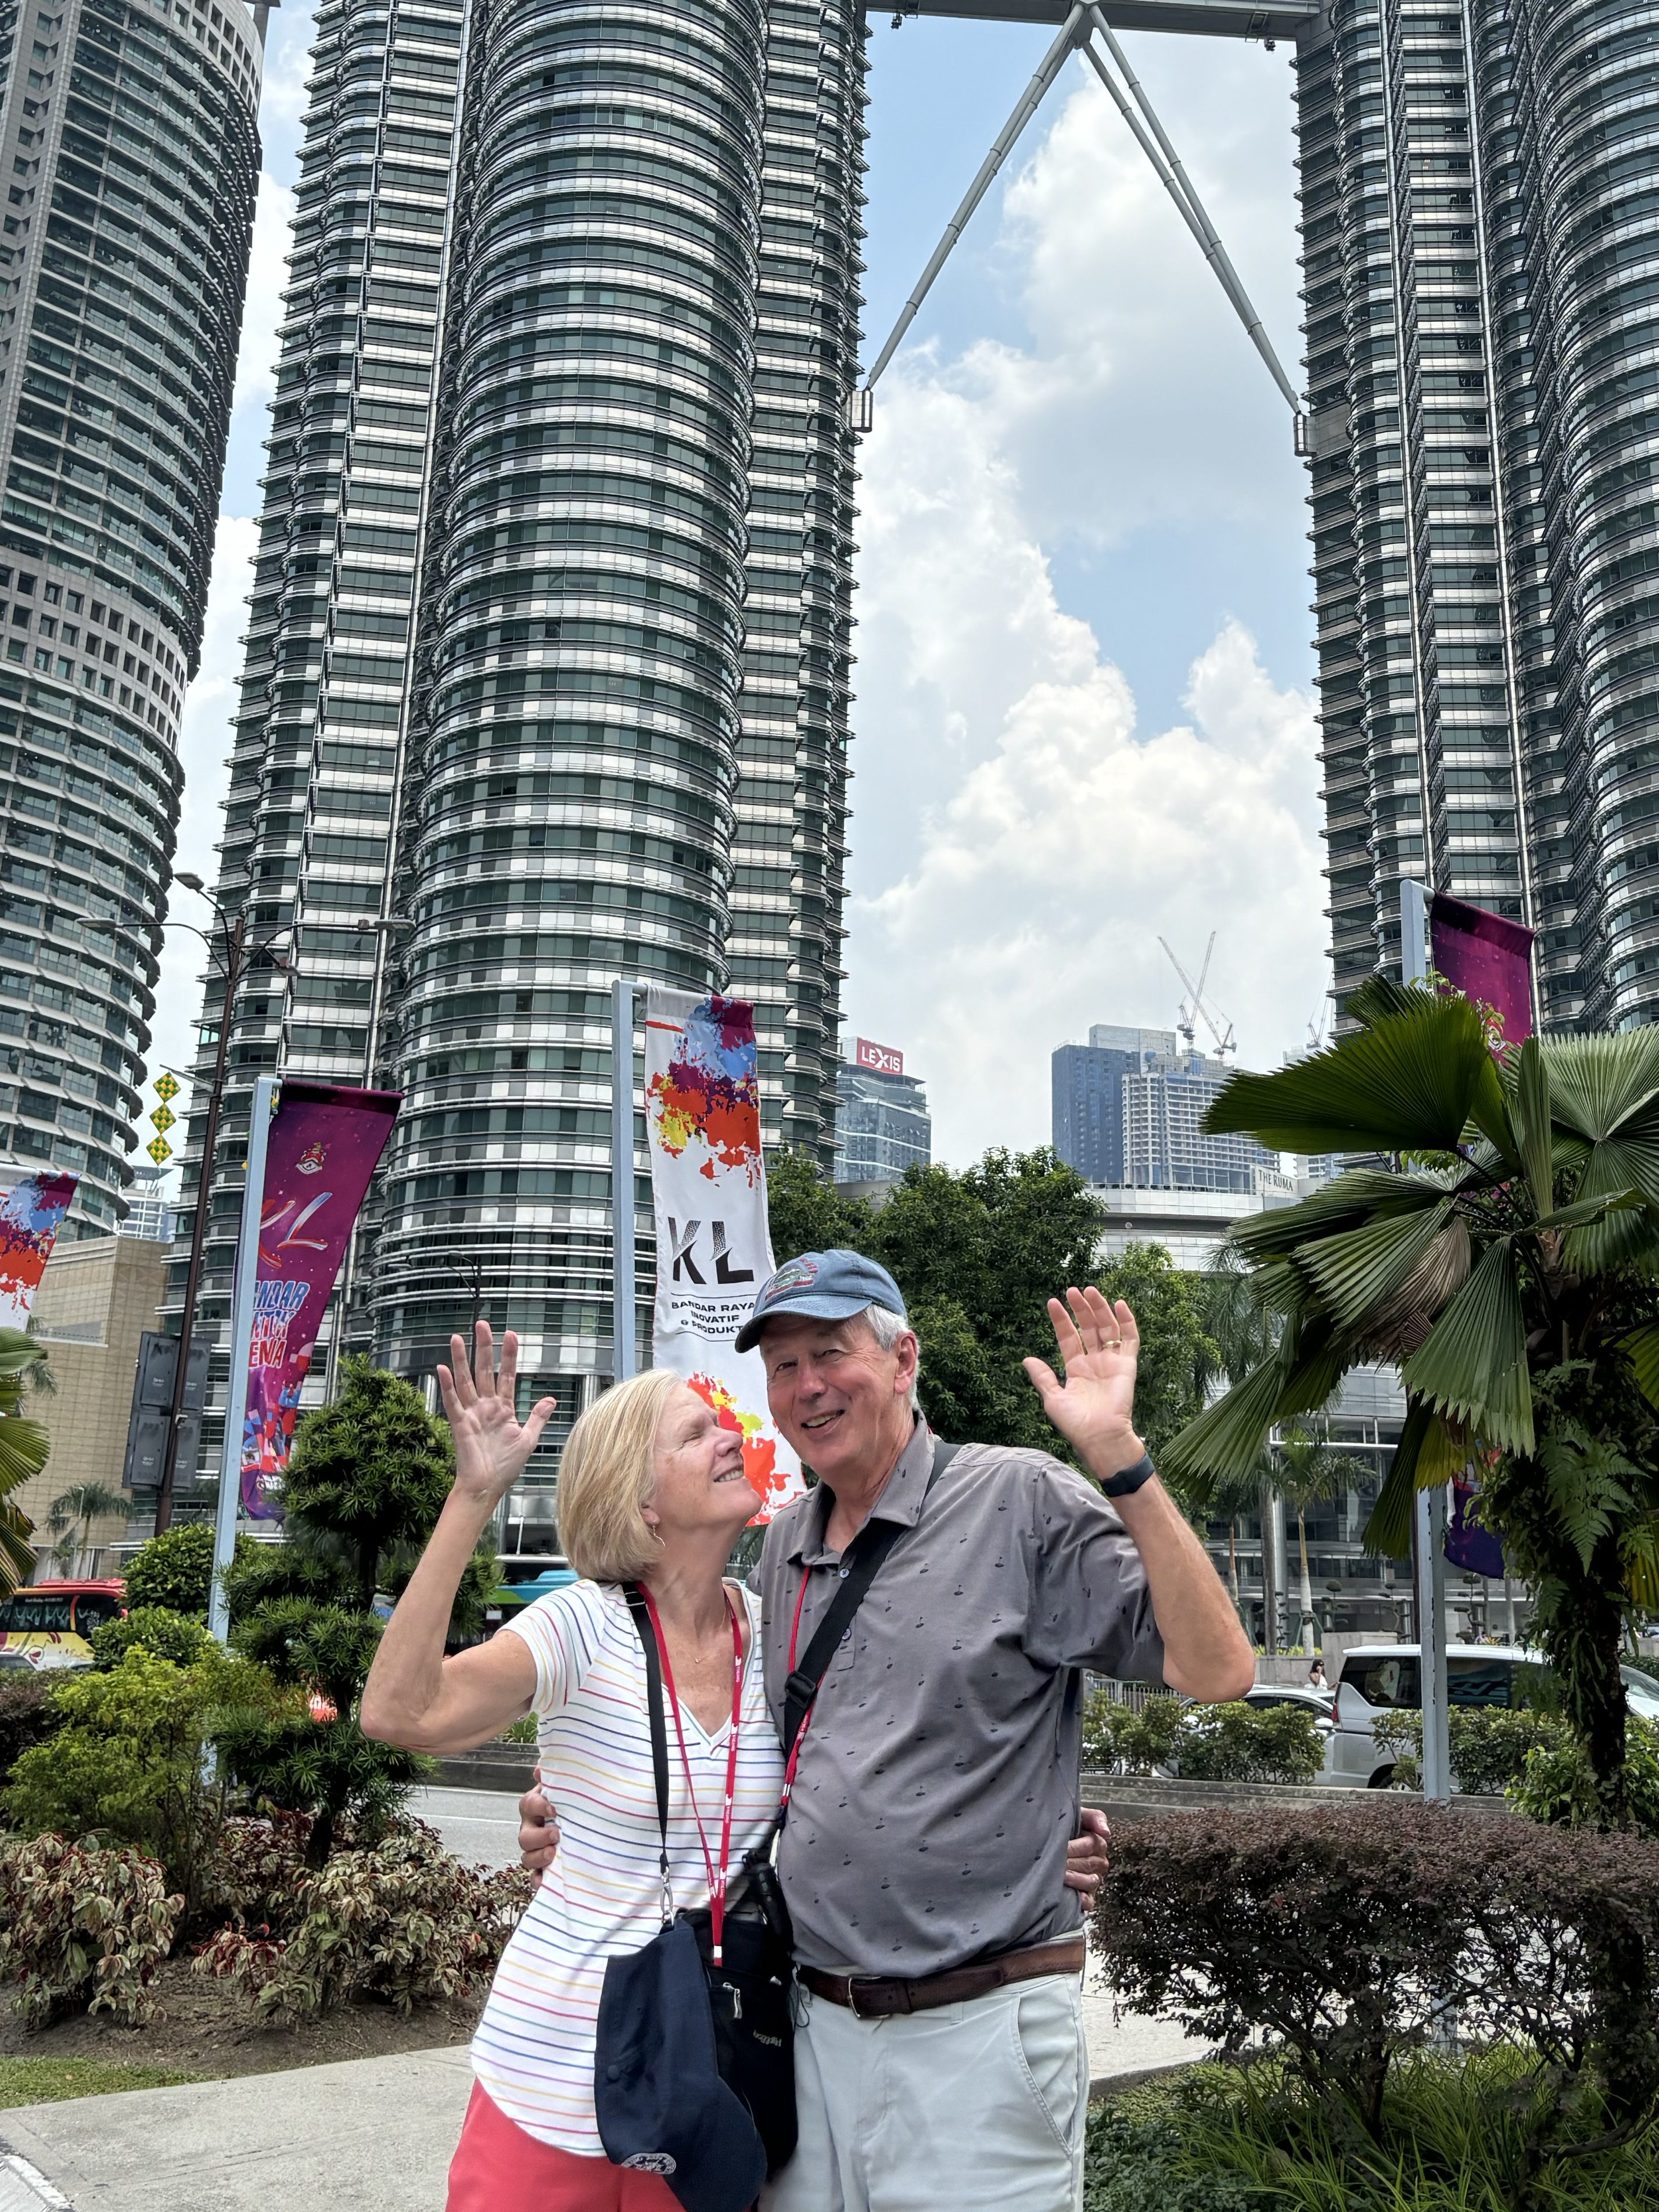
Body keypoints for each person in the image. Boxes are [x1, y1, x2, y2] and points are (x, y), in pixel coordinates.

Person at [520, 1249, 1256, 2212]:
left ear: (904, 1359)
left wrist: (1121, 1459)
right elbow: (745, 1746)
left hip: (979, 2036)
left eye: (832, 1353)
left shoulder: (1019, 1500)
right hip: (808, 2033)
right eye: (783, 1366)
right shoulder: (782, 1546)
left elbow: (1219, 1669)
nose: (806, 1386)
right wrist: (575, 1810)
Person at [359, 1322, 1108, 2211]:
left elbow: (887, 1762)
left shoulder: (777, 1627)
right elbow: (400, 1713)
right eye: (696, 1433)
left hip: (710, 2086)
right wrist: (473, 1496)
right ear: (641, 1499)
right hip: (551, 2080)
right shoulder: (582, 1625)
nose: (732, 1437)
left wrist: (1035, 1834)